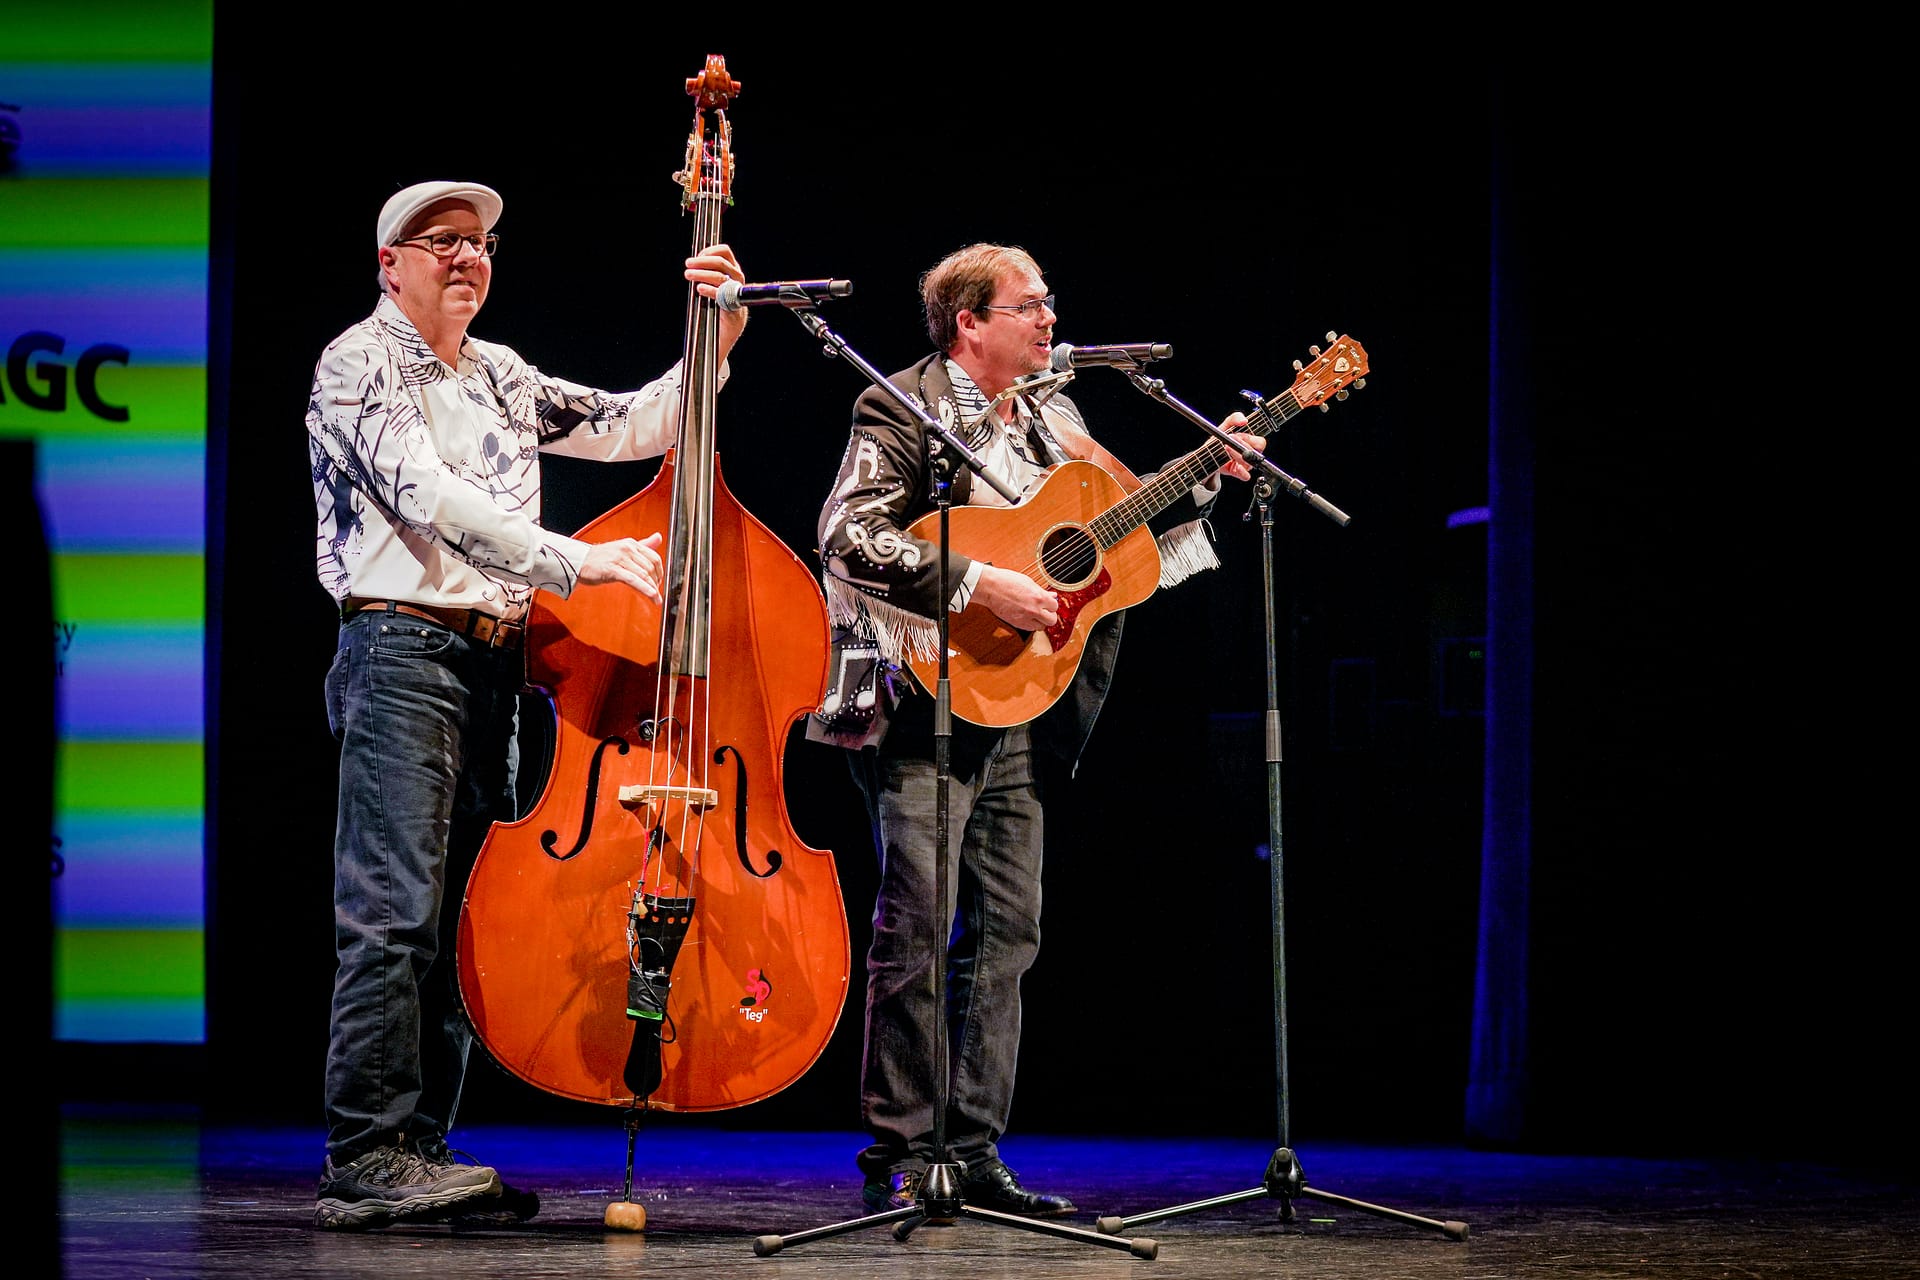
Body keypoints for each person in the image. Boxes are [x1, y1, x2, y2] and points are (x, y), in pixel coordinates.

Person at [305, 179, 748, 1230]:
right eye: (443, 241)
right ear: (390, 263)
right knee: (394, 912)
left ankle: (421, 1146)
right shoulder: (356, 362)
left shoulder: (501, 374)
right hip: (403, 650)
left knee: (464, 916)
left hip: (492, 662)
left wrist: (717, 336)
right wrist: (575, 564)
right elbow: (430, 499)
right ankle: (365, 1149)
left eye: (482, 242)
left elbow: (636, 423)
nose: (468, 256)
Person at [813, 243, 1262, 1216]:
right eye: (1029, 305)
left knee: (1009, 935)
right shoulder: (902, 406)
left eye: (1049, 302)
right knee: (917, 924)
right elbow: (847, 535)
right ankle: (902, 1151)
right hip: (923, 697)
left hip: (1020, 701)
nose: (1050, 319)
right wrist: (982, 583)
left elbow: (1112, 522)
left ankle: (974, 1151)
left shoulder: (1056, 418)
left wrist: (1205, 471)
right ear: (969, 322)